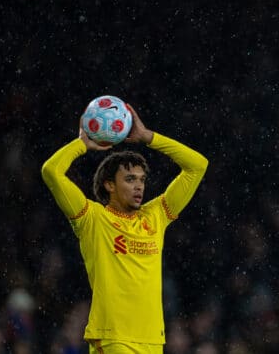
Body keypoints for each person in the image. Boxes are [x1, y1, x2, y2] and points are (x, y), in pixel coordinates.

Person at [41, 103, 208, 354]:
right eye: (130, 179)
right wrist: (82, 144)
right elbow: (51, 172)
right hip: (113, 338)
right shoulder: (92, 219)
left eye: (141, 180)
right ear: (109, 185)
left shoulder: (156, 216)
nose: (139, 186)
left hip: (153, 339)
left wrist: (149, 138)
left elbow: (198, 165)